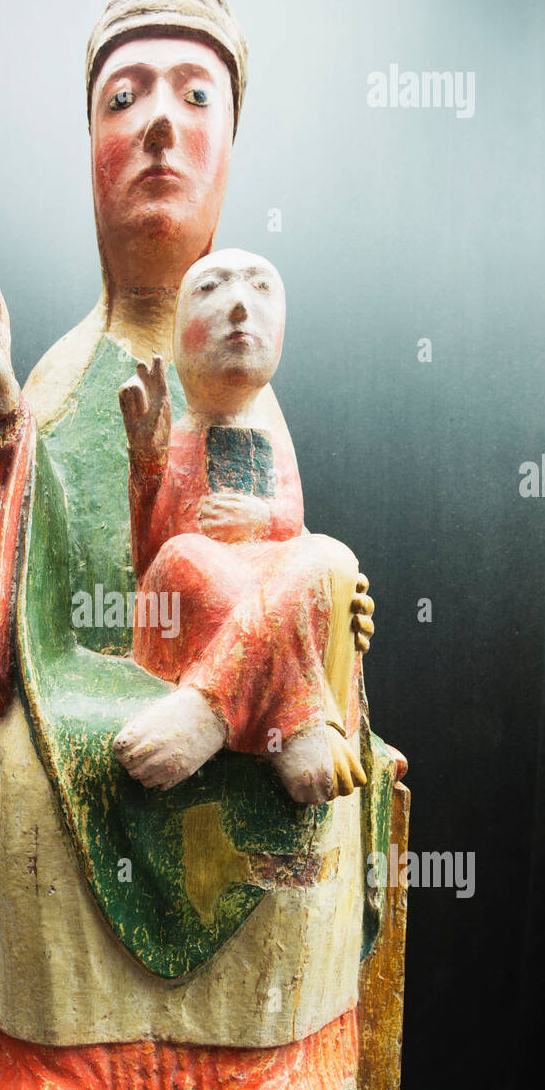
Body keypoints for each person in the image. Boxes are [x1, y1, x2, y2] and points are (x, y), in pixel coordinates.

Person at [0, 0, 393, 1090]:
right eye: (127, 99)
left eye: (194, 96)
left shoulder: (246, 380)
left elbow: (274, 548)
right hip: (91, 674)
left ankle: (270, 1078)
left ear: (232, 147)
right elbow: (7, 613)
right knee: (16, 762)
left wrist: (336, 625)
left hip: (230, 683)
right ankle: (50, 1077)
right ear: (89, 150)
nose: (161, 126)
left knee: (321, 767)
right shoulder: (64, 373)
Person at [115, 246, 367, 804]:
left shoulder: (274, 442)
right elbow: (151, 562)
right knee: (185, 556)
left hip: (261, 589)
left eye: (260, 288)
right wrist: (147, 463)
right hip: (201, 596)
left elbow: (291, 527)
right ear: (178, 334)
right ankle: (300, 726)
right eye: (211, 288)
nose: (238, 307)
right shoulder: (178, 437)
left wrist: (266, 520)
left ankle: (207, 711)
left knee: (330, 557)